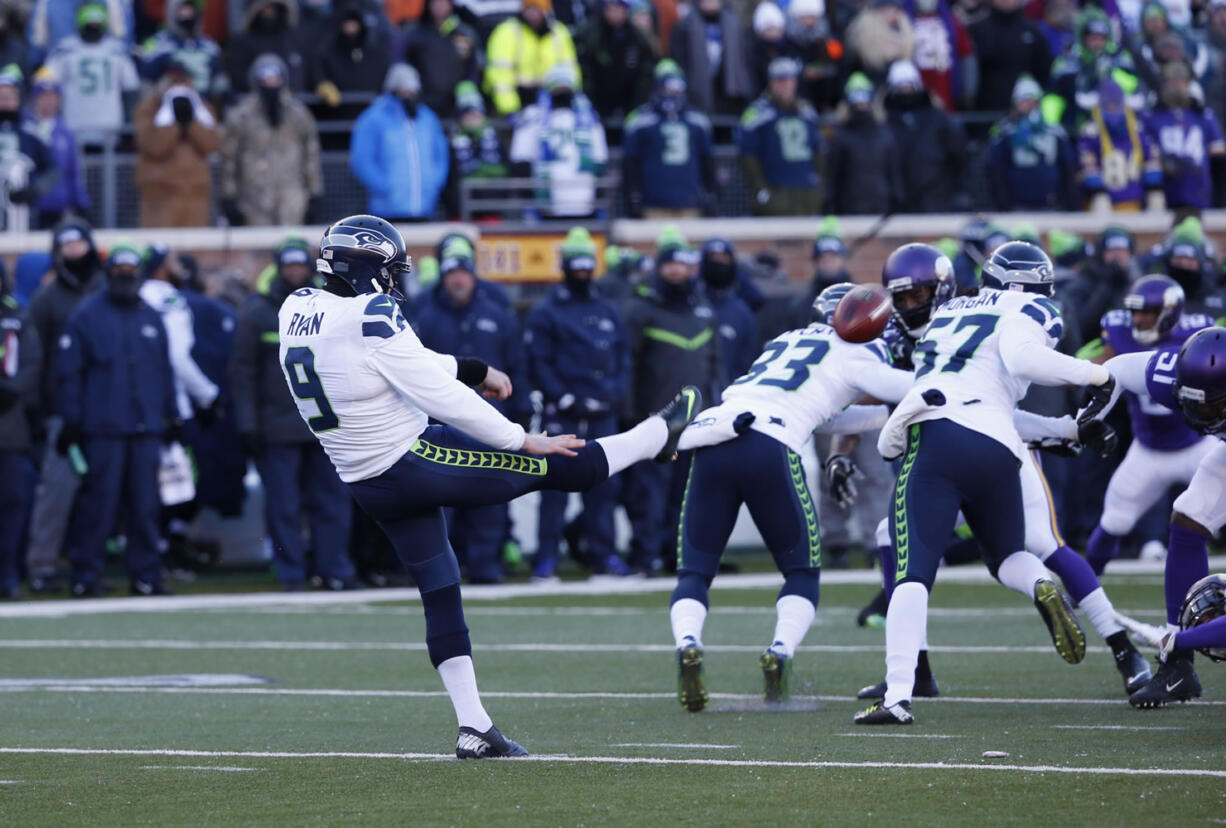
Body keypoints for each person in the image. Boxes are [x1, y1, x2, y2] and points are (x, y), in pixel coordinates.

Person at [276, 214, 701, 757]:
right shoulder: (370, 312)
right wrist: (519, 438)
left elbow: (391, 361)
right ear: (365, 268)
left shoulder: (298, 308)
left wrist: (471, 368)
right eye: (389, 270)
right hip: (412, 458)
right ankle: (656, 435)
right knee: (559, 463)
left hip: (366, 479)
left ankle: (474, 727)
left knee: (441, 588)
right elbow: (434, 392)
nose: (394, 282)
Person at [855, 241, 1115, 725]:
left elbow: (1012, 361)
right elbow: (1021, 367)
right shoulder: (1036, 308)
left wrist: (1094, 376)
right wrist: (1093, 381)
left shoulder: (951, 311)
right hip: (1000, 444)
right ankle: (1041, 583)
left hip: (938, 435)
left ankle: (897, 695)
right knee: (1008, 555)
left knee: (912, 572)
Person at [668, 281, 914, 711]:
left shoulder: (784, 343)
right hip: (770, 446)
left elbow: (820, 412)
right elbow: (907, 389)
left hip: (712, 435)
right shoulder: (860, 352)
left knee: (694, 570)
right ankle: (779, 650)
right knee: (801, 570)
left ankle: (688, 642)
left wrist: (876, 416)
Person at [1102, 326, 1226, 706]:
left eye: (1209, 408)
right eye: (1192, 403)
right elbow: (1119, 369)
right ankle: (1178, 671)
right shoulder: (1178, 373)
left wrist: (1176, 638)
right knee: (1188, 517)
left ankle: (1177, 656)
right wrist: (1089, 416)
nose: (1196, 416)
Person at [231, 238, 356, 591]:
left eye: (301, 266)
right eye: (290, 267)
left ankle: (334, 569)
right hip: (277, 427)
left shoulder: (331, 309)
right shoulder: (257, 313)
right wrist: (248, 425)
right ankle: (291, 572)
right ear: (279, 268)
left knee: (332, 503)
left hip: (325, 426)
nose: (296, 273)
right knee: (283, 507)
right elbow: (242, 374)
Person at [59, 242, 178, 597]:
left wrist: (172, 418)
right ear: (108, 273)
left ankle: (145, 576)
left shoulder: (150, 316)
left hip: (146, 428)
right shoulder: (86, 315)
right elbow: (69, 373)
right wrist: (72, 420)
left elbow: (164, 372)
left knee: (145, 508)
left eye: (132, 272)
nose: (127, 278)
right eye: (120, 271)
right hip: (103, 429)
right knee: (99, 506)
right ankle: (86, 575)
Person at [1082, 274, 1215, 575]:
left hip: (1197, 444)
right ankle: (1084, 590)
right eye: (1135, 312)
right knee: (1114, 521)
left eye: (1147, 313)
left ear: (1168, 313)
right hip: (1147, 450)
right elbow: (1100, 368)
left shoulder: (1199, 332)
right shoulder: (1118, 329)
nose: (1138, 319)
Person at [410, 245, 527, 584]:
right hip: (439, 425)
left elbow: (519, 367)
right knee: (441, 499)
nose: (458, 280)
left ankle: (485, 565)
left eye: (463, 273)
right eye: (451, 274)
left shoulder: (499, 316)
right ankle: (444, 568)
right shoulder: (424, 317)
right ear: (443, 278)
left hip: (490, 423)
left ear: (473, 276)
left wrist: (520, 414)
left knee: (490, 495)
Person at [525, 228, 630, 580]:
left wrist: (612, 395)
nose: (583, 274)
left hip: (602, 411)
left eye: (588, 268)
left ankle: (604, 556)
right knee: (554, 489)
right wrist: (564, 397)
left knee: (604, 489)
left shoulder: (608, 310)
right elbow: (539, 361)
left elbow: (623, 358)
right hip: (564, 413)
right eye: (577, 268)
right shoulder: (547, 312)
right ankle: (546, 559)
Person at [620, 237, 722, 573]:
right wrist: (632, 413)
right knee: (648, 494)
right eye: (670, 264)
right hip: (653, 420)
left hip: (696, 424)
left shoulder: (703, 311)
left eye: (683, 264)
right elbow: (628, 365)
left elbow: (714, 365)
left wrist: (716, 409)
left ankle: (678, 556)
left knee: (688, 494)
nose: (677, 270)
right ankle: (645, 555)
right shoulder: (640, 310)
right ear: (660, 267)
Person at [24, 219, 103, 593]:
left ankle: (90, 569)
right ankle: (42, 566)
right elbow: (37, 358)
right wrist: (39, 411)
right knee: (55, 495)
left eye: (79, 244)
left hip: (106, 413)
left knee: (100, 497)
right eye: (66, 245)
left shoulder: (109, 292)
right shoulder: (47, 299)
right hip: (62, 412)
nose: (74, 251)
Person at [220, 53, 323, 227]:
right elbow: (229, 159)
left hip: (292, 201)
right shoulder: (241, 116)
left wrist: (315, 194)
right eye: (265, 79)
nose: (271, 84)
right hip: (254, 202)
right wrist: (229, 197)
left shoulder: (298, 114)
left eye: (275, 78)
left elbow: (311, 155)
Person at [351, 63, 449, 221]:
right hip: (387, 210)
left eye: (413, 88)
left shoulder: (427, 118)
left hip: (425, 208)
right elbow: (363, 160)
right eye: (404, 88)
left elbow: (440, 156)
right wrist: (386, 188)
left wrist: (433, 183)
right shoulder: (373, 118)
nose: (409, 93)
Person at [508, 63, 607, 218]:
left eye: (566, 88)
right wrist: (531, 202)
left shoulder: (589, 119)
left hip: (584, 202)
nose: (562, 92)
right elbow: (521, 162)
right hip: (546, 206)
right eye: (557, 88)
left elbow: (600, 162)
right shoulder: (533, 117)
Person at [133, 59, 221, 228]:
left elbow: (211, 144)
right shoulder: (149, 108)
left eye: (184, 81)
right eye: (174, 82)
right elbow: (154, 147)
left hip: (194, 194)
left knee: (194, 248)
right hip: (160, 193)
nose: (179, 87)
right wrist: (173, 122)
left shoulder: (201, 107)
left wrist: (191, 122)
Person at [622, 61, 715, 219]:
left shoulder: (698, 121)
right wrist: (634, 197)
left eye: (676, 90)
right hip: (653, 203)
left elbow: (708, 163)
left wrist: (710, 196)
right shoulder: (639, 121)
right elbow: (630, 164)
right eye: (667, 89)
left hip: (689, 203)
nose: (672, 94)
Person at [44, 2, 139, 146]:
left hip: (110, 128)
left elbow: (131, 90)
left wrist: (128, 123)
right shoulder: (65, 49)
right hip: (74, 127)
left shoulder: (116, 50)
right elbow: (46, 86)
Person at [0, 270, 42, 598]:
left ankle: (8, 574)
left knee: (13, 501)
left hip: (9, 426)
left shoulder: (16, 315)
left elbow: (31, 362)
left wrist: (10, 391)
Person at [738, 58, 822, 217]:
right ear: (772, 83)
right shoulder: (757, 114)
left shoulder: (807, 112)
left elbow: (818, 151)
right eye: (781, 81)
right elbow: (747, 155)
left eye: (789, 81)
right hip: (775, 192)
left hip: (806, 195)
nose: (786, 86)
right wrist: (761, 189)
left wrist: (818, 185)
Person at [1144, 61, 1226, 217]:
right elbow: (1145, 152)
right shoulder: (1152, 118)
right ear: (1164, 84)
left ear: (1188, 84)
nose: (1177, 86)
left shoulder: (1203, 116)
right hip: (1165, 196)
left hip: (1199, 195)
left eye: (1181, 82)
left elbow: (1219, 159)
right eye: (1172, 82)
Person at [882, 59, 966, 213]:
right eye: (900, 87)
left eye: (909, 86)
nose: (905, 92)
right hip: (896, 199)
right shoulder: (883, 121)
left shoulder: (939, 119)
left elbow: (958, 155)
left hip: (936, 195)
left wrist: (958, 190)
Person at [985, 75, 1077, 211]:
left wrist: (1069, 202)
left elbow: (1068, 166)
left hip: (1051, 203)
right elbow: (995, 168)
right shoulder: (1005, 131)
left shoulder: (1054, 130)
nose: (1030, 105)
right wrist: (1003, 204)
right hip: (1017, 205)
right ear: (1016, 103)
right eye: (1025, 100)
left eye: (1033, 100)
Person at [1046, 7, 1141, 134]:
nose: (1097, 42)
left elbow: (1132, 86)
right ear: (1083, 38)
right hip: (1076, 126)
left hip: (1116, 126)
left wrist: (1109, 72)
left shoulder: (1119, 58)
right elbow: (1053, 96)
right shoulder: (1068, 62)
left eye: (1101, 38)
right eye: (1092, 38)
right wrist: (1051, 124)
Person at [1077, 78, 1164, 212]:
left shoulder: (1137, 129)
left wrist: (1152, 180)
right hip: (1106, 200)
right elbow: (1089, 170)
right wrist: (1097, 185)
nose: (1113, 109)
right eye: (1108, 105)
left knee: (1157, 198)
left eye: (1116, 104)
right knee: (1100, 202)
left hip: (1136, 199)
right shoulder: (1090, 133)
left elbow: (1152, 162)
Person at [483, 0, 580, 116]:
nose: (533, 13)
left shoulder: (559, 32)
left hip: (555, 104)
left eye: (538, 8)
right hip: (520, 103)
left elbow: (572, 71)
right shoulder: (507, 32)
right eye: (530, 8)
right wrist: (511, 110)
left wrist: (569, 104)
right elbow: (500, 76)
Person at [826, 71, 902, 216]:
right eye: (856, 100)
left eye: (864, 99)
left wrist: (897, 200)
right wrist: (831, 206)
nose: (861, 104)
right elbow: (833, 176)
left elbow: (893, 172)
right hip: (850, 210)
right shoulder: (841, 136)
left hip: (881, 208)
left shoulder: (884, 133)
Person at [24, 68, 88, 230]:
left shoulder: (65, 132)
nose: (49, 101)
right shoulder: (23, 127)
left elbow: (72, 170)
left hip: (56, 207)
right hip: (26, 207)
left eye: (53, 96)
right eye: (44, 96)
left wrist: (80, 202)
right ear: (35, 98)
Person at [668, 0, 755, 115]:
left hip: (729, 95)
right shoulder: (685, 26)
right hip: (695, 93)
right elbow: (679, 60)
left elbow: (744, 60)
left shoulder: (734, 24)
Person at [575, 0, 655, 121]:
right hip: (598, 103)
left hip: (629, 103)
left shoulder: (637, 38)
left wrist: (638, 105)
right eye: (611, 9)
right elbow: (585, 72)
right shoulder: (591, 35)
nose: (615, 13)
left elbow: (645, 74)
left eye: (619, 9)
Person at [402, 0, 481, 118]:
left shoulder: (465, 33)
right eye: (436, 2)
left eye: (444, 2)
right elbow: (404, 63)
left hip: (456, 104)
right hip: (423, 101)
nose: (440, 6)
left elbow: (472, 69)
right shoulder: (415, 33)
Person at [967, 0, 1050, 112]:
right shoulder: (976, 30)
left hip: (1024, 113)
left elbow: (1044, 73)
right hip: (984, 113)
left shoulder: (1032, 32)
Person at [444, 80, 508, 219]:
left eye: (475, 112)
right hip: (460, 213)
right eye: (466, 113)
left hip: (493, 209)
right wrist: (454, 206)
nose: (472, 117)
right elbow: (449, 178)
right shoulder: (452, 142)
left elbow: (506, 169)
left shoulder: (495, 137)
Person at [137, 0, 226, 100]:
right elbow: (146, 81)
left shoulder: (209, 45)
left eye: (190, 10)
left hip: (203, 103)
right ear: (172, 13)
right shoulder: (158, 44)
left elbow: (219, 77)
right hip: (169, 104)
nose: (187, 14)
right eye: (182, 10)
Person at [699, 237, 758, 381]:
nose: (718, 264)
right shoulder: (688, 306)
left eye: (723, 259)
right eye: (713, 259)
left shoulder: (742, 312)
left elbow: (748, 362)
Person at [309, 0, 391, 101]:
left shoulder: (376, 55)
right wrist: (322, 82)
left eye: (354, 25)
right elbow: (318, 73)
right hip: (337, 110)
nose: (350, 29)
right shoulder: (326, 53)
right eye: (347, 25)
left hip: (369, 108)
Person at [904, 0, 977, 111]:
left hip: (946, 91)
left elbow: (966, 53)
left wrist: (969, 89)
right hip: (914, 92)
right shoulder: (904, 20)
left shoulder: (951, 21)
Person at [226, 0, 309, 93]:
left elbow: (299, 71)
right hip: (252, 100)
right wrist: (265, 89)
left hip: (291, 100)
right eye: (265, 8)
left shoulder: (292, 39)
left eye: (272, 7)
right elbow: (237, 74)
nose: (269, 12)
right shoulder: (242, 41)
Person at [786, 0, 845, 112]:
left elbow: (838, 64)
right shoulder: (789, 40)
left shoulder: (828, 39)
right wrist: (803, 71)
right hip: (800, 96)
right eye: (805, 17)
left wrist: (825, 70)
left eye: (813, 17)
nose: (810, 22)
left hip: (824, 95)